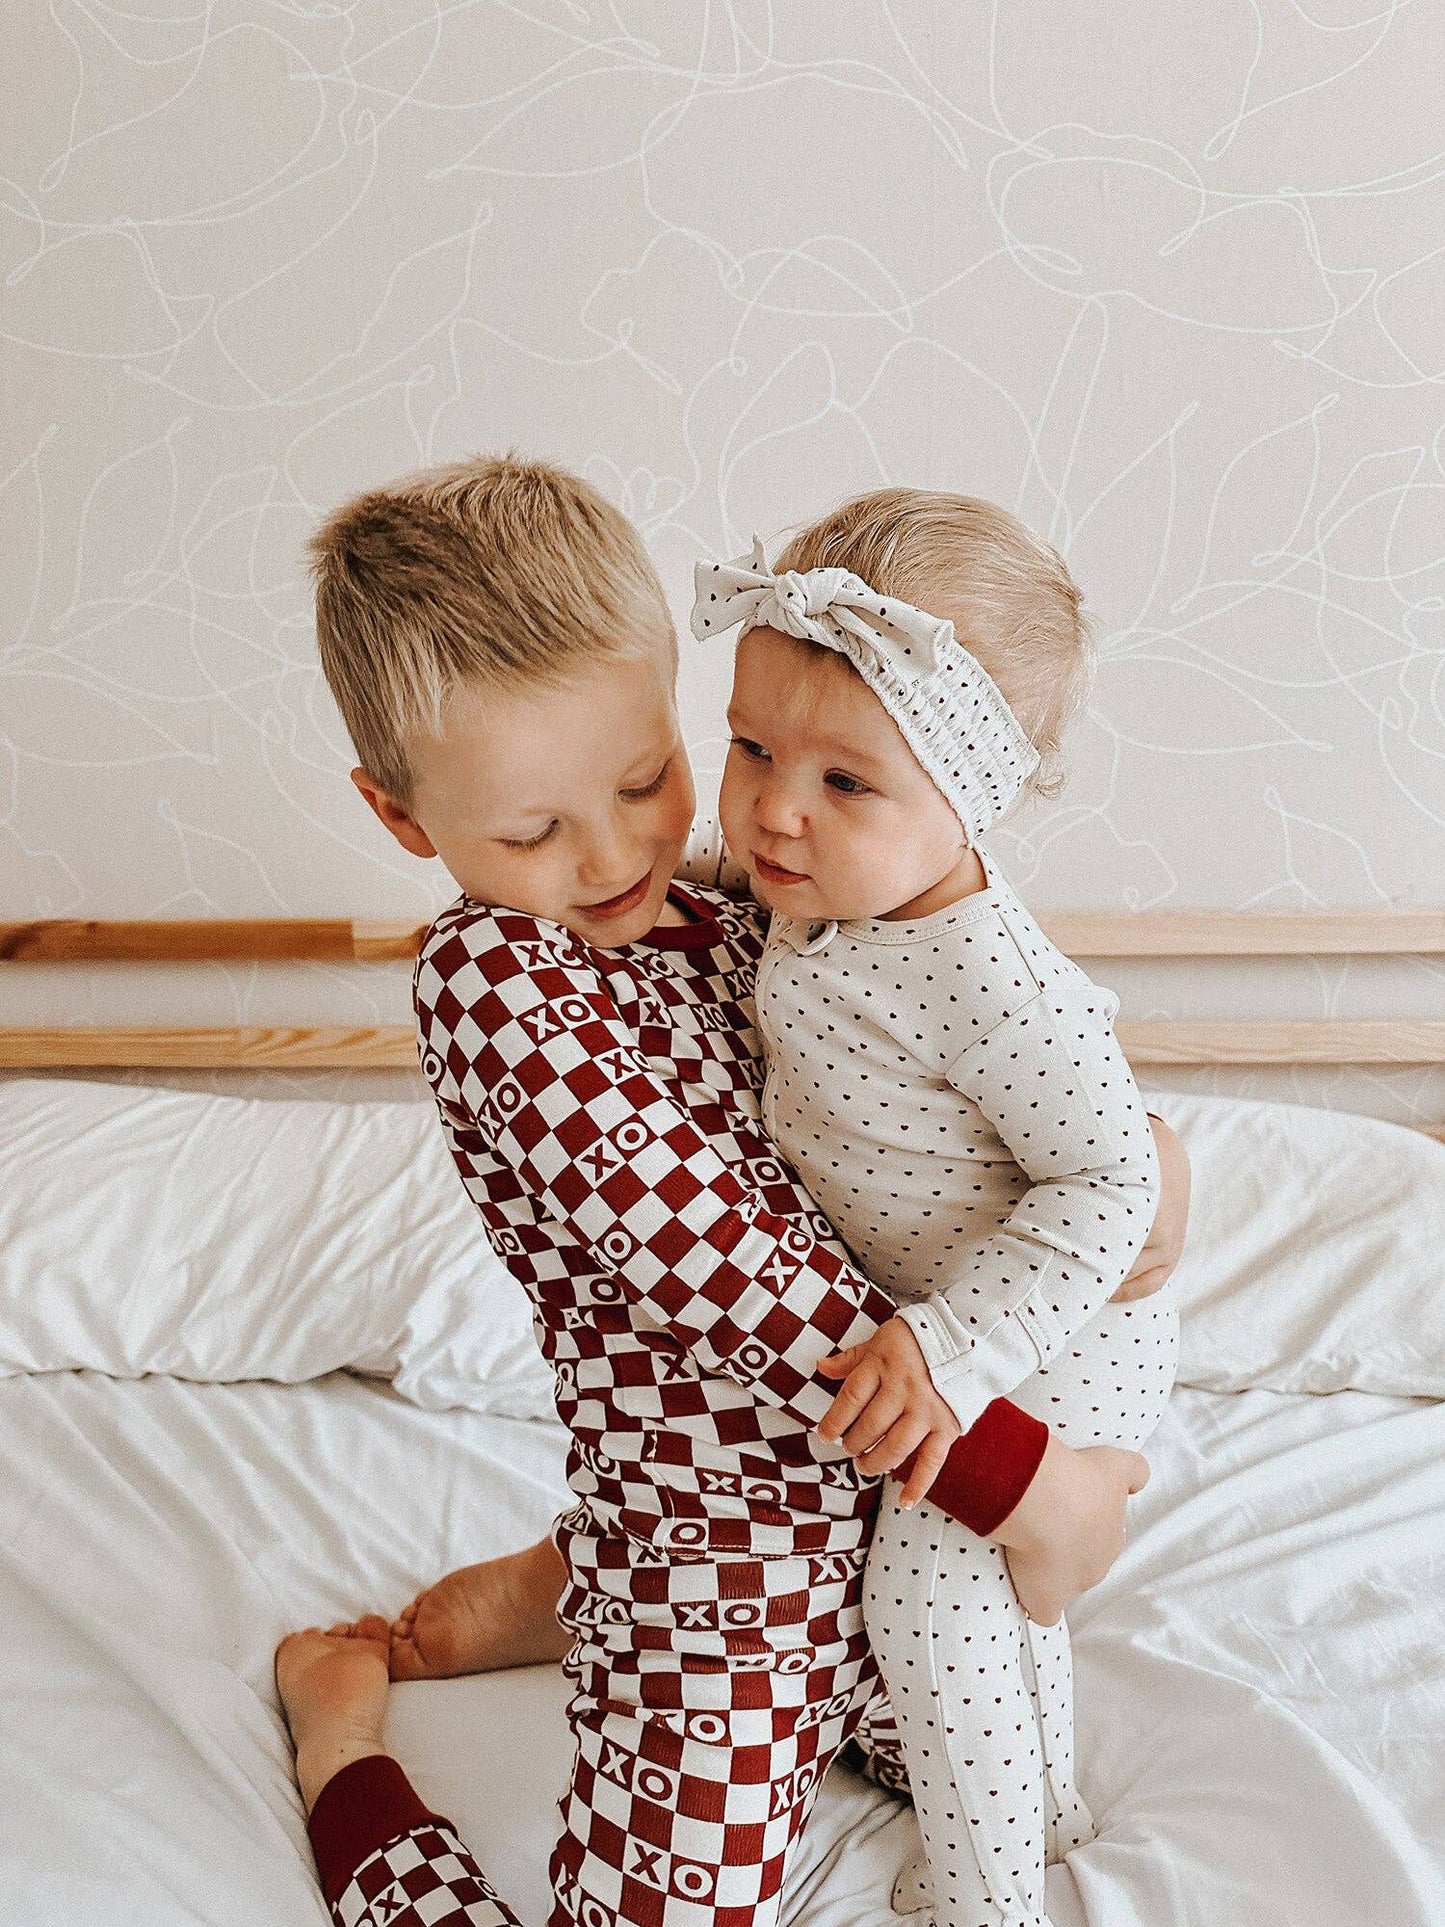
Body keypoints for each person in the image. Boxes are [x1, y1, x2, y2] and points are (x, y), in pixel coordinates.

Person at [275, 456, 1190, 1927]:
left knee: (956, 1732)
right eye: (530, 832)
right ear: (403, 816)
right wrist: (1027, 1489)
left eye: (646, 781)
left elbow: (978, 1068)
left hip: (887, 1506)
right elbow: (735, 1264)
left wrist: (1148, 1166)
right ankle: (342, 1734)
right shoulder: (494, 977)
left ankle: (558, 1583)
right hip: (731, 1553)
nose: (616, 855)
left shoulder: (740, 901)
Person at [692, 492, 1179, 1926]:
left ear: (968, 796)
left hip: (1051, 1319)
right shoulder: (819, 896)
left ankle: (983, 1901)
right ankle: (1042, 1805)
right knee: (982, 1587)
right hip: (954, 1318)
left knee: (923, 1592)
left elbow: (1110, 1184)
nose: (776, 807)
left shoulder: (986, 978)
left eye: (846, 783)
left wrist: (952, 1349)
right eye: (750, 746)